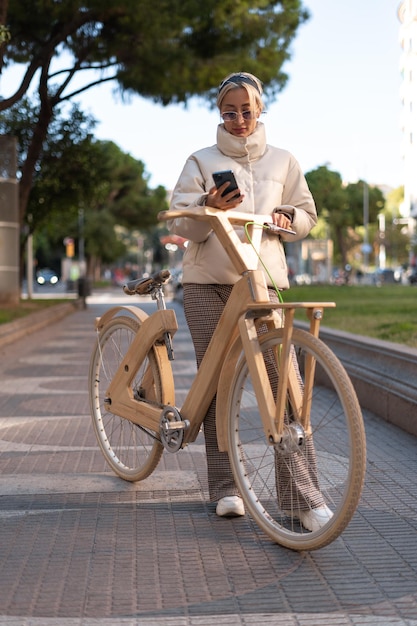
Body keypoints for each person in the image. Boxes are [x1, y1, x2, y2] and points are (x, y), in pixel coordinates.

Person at [168, 71, 332, 530]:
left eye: (247, 110)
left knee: (286, 386)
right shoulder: (200, 160)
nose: (239, 119)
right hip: (208, 283)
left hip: (265, 284)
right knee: (218, 385)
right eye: (229, 111)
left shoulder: (284, 161)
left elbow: (307, 215)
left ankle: (301, 497)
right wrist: (208, 204)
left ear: (260, 110)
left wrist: (289, 218)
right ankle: (226, 488)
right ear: (220, 113)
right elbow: (183, 222)